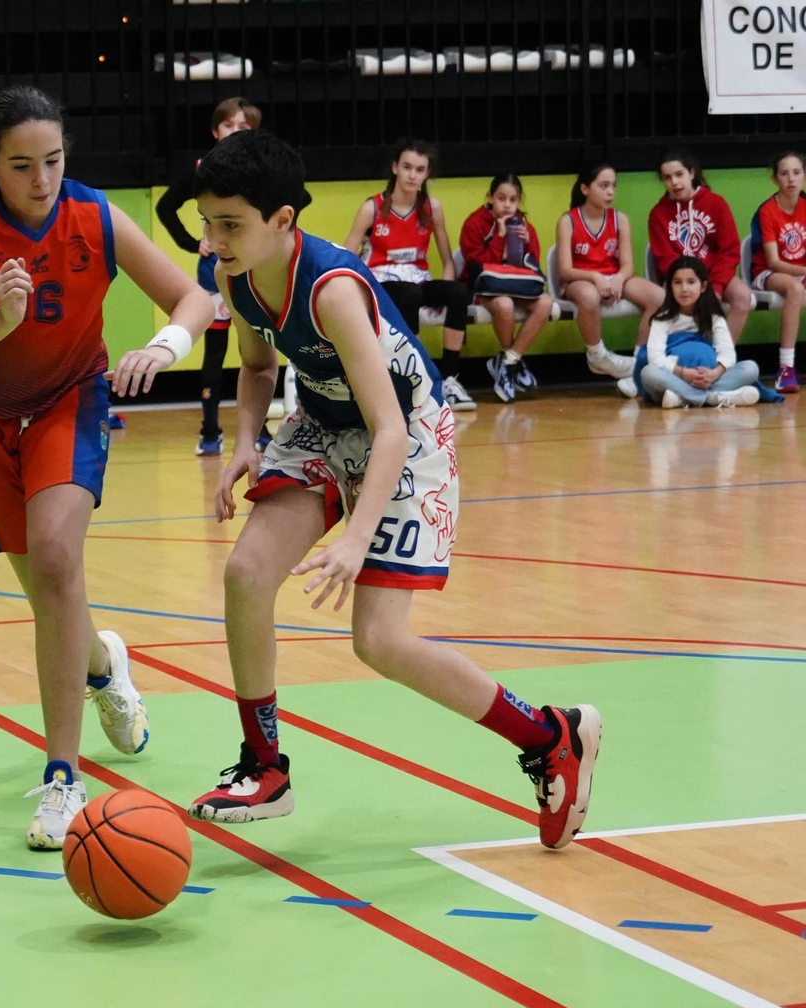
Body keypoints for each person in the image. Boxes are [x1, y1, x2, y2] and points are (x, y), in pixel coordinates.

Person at [186, 129, 599, 852]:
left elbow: (391, 432)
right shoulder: (233, 273)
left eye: (230, 224)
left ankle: (550, 735)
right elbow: (255, 368)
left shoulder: (334, 289)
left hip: (407, 433)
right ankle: (264, 766)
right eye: (207, 222)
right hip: (322, 418)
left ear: (283, 221)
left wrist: (354, 535)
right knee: (246, 572)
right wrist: (246, 438)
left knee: (378, 640)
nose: (214, 238)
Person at [0, 86, 213, 849]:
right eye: (21, 166)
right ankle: (102, 662)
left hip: (67, 401)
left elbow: (193, 297)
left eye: (52, 161)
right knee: (47, 589)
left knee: (56, 559)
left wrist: (164, 347)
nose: (42, 179)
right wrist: (0, 319)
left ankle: (61, 776)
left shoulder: (96, 216)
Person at [155, 96, 293, 454]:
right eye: (229, 125)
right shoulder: (203, 169)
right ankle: (210, 431)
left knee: (261, 350)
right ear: (216, 130)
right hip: (219, 271)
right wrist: (191, 244)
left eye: (243, 127)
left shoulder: (266, 172)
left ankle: (260, 431)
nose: (235, 132)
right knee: (215, 352)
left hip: (258, 271)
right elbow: (166, 206)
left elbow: (299, 199)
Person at [341, 139, 476, 412]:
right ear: (395, 168)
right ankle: (413, 375)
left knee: (457, 293)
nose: (412, 175)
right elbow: (346, 256)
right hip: (381, 283)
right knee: (409, 294)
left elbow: (448, 260)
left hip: (417, 278)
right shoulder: (373, 208)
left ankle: (449, 378)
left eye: (419, 169)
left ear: (427, 174)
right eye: (407, 167)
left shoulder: (432, 208)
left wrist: (446, 289)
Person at [555, 163, 659, 382]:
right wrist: (595, 277)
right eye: (603, 186)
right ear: (585, 188)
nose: (610, 192)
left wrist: (619, 279)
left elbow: (628, 265)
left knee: (660, 298)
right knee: (589, 295)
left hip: (614, 276)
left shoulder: (620, 219)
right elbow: (564, 270)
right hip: (580, 279)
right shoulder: (568, 220)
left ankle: (640, 360)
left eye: (613, 186)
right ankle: (597, 356)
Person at [459, 174, 555, 403]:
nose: (507, 205)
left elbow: (532, 266)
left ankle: (508, 361)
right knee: (504, 304)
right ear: (490, 197)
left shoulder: (524, 225)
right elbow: (474, 264)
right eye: (501, 198)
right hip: (483, 286)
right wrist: (500, 236)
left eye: (513, 200)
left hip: (515, 284)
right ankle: (512, 363)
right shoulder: (474, 223)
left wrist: (527, 241)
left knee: (546, 303)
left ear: (519, 201)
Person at [648, 149, 750, 349]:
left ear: (691, 173)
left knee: (742, 296)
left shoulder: (716, 203)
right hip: (680, 279)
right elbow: (665, 258)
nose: (674, 182)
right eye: (667, 178)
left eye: (679, 175)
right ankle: (685, 356)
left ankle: (719, 357)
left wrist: (717, 286)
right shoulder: (658, 213)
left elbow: (729, 250)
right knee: (685, 299)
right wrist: (692, 283)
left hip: (715, 275)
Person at [638, 256, 761, 409]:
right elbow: (655, 357)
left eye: (691, 282)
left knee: (750, 368)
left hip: (708, 379)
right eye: (677, 282)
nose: (684, 289)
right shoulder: (662, 319)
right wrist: (683, 373)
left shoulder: (714, 318)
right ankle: (714, 398)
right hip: (674, 379)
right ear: (670, 287)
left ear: (703, 286)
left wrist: (715, 373)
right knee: (649, 373)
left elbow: (727, 352)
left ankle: (684, 398)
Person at [748, 150, 806, 393]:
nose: (791, 179)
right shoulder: (767, 211)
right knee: (794, 288)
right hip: (768, 274)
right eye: (784, 174)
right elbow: (773, 261)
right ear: (775, 179)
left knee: (797, 284)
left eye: (796, 172)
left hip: (801, 270)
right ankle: (786, 369)